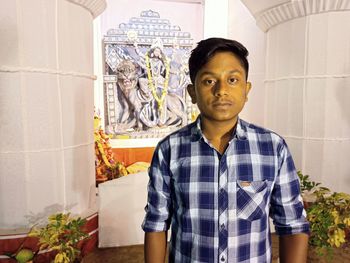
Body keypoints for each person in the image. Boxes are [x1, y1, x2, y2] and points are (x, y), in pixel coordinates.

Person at [142, 38, 310, 263]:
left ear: (246, 88)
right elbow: (156, 223)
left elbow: (293, 225)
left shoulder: (272, 148)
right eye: (209, 81)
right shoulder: (169, 150)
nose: (221, 90)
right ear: (192, 92)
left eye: (232, 80)